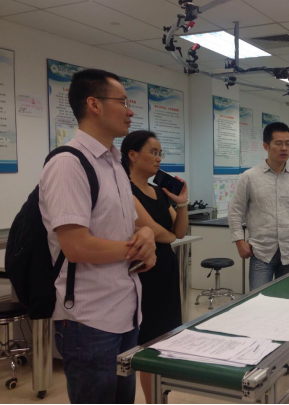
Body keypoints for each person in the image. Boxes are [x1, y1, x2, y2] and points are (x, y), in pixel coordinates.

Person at [39, 69, 157, 404]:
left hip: (126, 312)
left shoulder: (114, 165)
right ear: (94, 105)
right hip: (88, 321)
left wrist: (146, 234)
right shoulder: (68, 163)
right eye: (123, 102)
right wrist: (136, 250)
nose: (130, 111)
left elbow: (126, 226)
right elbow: (76, 246)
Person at [121, 131, 189, 404]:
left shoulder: (159, 191)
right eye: (153, 152)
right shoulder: (126, 189)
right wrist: (168, 234)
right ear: (132, 155)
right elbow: (153, 229)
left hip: (166, 271)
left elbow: (179, 232)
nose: (158, 158)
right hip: (145, 273)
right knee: (148, 343)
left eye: (160, 153)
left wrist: (182, 204)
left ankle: (160, 397)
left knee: (165, 340)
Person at [229, 122, 289, 291]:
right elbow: (235, 212)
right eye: (278, 143)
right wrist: (239, 241)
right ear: (266, 146)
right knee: (259, 301)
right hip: (261, 252)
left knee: (287, 301)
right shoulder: (249, 177)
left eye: (288, 143)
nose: (284, 148)